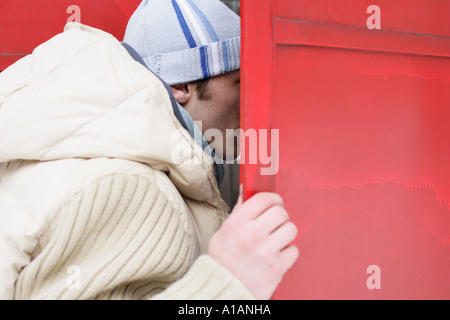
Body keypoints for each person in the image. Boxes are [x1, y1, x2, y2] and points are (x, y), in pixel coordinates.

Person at [0, 0, 298, 300]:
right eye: (240, 82)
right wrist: (227, 285)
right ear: (181, 85)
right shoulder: (132, 188)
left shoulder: (80, 147)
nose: (254, 99)